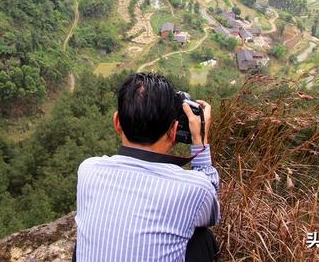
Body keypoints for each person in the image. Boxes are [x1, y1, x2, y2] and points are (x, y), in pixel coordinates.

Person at [75, 73, 220, 261]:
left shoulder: (88, 170)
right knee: (202, 238)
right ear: (174, 130)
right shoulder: (195, 188)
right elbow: (212, 214)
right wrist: (199, 141)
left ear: (117, 123)